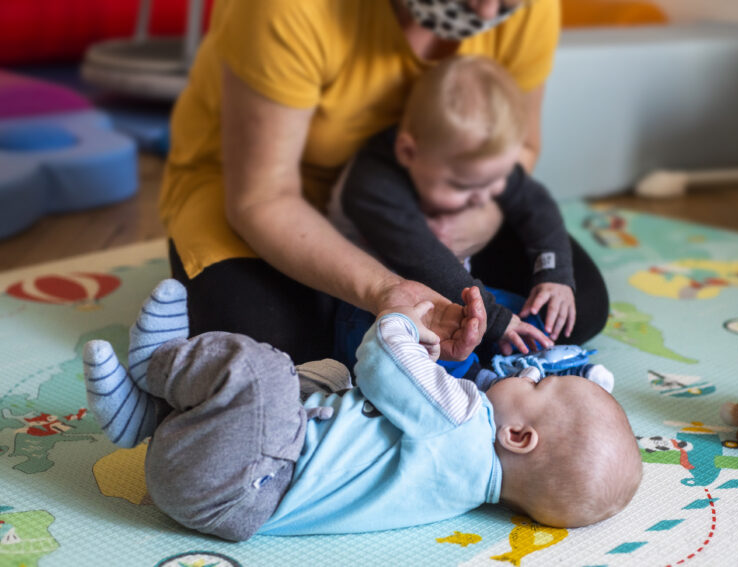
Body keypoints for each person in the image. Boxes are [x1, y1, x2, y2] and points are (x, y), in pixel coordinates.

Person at [159, 0, 610, 367]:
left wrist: (479, 217)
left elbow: (520, 153)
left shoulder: (528, 11)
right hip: (258, 193)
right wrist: (387, 290)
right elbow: (263, 198)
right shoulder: (286, 10)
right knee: (280, 349)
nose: (488, 14)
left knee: (576, 304)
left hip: (432, 190)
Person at [83, 280, 642, 540]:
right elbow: (392, 400)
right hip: (224, 487)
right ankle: (147, 420)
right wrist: (425, 354)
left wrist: (403, 322)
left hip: (244, 474)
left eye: (536, 387)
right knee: (324, 378)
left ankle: (159, 364)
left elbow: (380, 363)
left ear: (519, 436)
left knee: (270, 374)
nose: (524, 373)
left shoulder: (463, 423)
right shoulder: (464, 483)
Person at [330, 54, 605, 371]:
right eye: (463, 186)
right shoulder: (373, 185)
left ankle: (531, 366)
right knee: (414, 350)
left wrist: (553, 275)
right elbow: (427, 262)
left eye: (495, 182)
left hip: (458, 290)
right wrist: (498, 322)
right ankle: (487, 382)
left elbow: (536, 204)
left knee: (542, 317)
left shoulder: (477, 166)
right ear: (408, 152)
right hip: (375, 305)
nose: (484, 198)